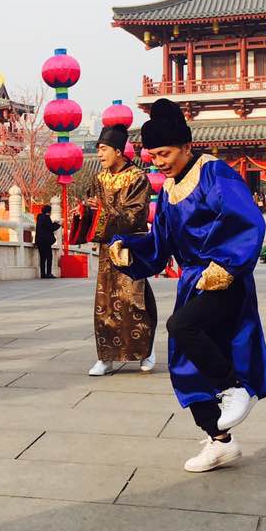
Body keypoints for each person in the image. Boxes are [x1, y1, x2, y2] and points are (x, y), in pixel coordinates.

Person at [110, 99, 266, 474]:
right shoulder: (168, 189)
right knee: (185, 362)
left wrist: (227, 265)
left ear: (186, 145)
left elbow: (248, 220)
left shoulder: (216, 173)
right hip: (192, 282)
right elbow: (161, 243)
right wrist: (129, 248)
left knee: (182, 327)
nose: (159, 162)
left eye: (165, 153)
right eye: (153, 156)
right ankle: (220, 442)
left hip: (224, 277)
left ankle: (234, 388)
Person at [85, 122, 156, 376]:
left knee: (133, 300)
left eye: (104, 149)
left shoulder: (137, 177)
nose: (100, 155)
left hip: (131, 246)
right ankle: (106, 357)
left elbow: (136, 214)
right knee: (105, 304)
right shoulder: (99, 178)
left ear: (118, 151)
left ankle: (145, 351)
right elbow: (92, 207)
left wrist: (104, 211)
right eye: (98, 150)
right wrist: (86, 210)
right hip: (107, 249)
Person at [34, 204, 59, 278]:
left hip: (39, 241)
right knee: (49, 257)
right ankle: (48, 273)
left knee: (42, 258)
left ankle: (42, 274)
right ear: (49, 211)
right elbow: (51, 227)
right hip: (46, 242)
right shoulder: (46, 218)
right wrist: (58, 224)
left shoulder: (39, 218)